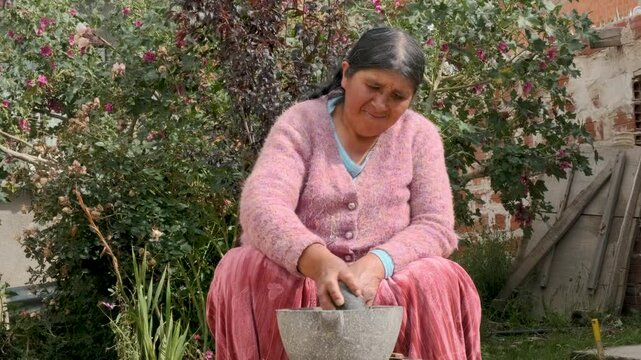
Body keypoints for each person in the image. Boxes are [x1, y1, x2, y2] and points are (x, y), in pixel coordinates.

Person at [206, 27, 482, 360]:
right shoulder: (300, 124)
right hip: (302, 283)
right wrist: (319, 262)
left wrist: (378, 264)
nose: (381, 104)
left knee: (439, 276)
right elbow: (261, 205)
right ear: (348, 74)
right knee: (244, 265)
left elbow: (435, 224)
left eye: (398, 96)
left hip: (388, 285)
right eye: (374, 87)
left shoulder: (419, 136)